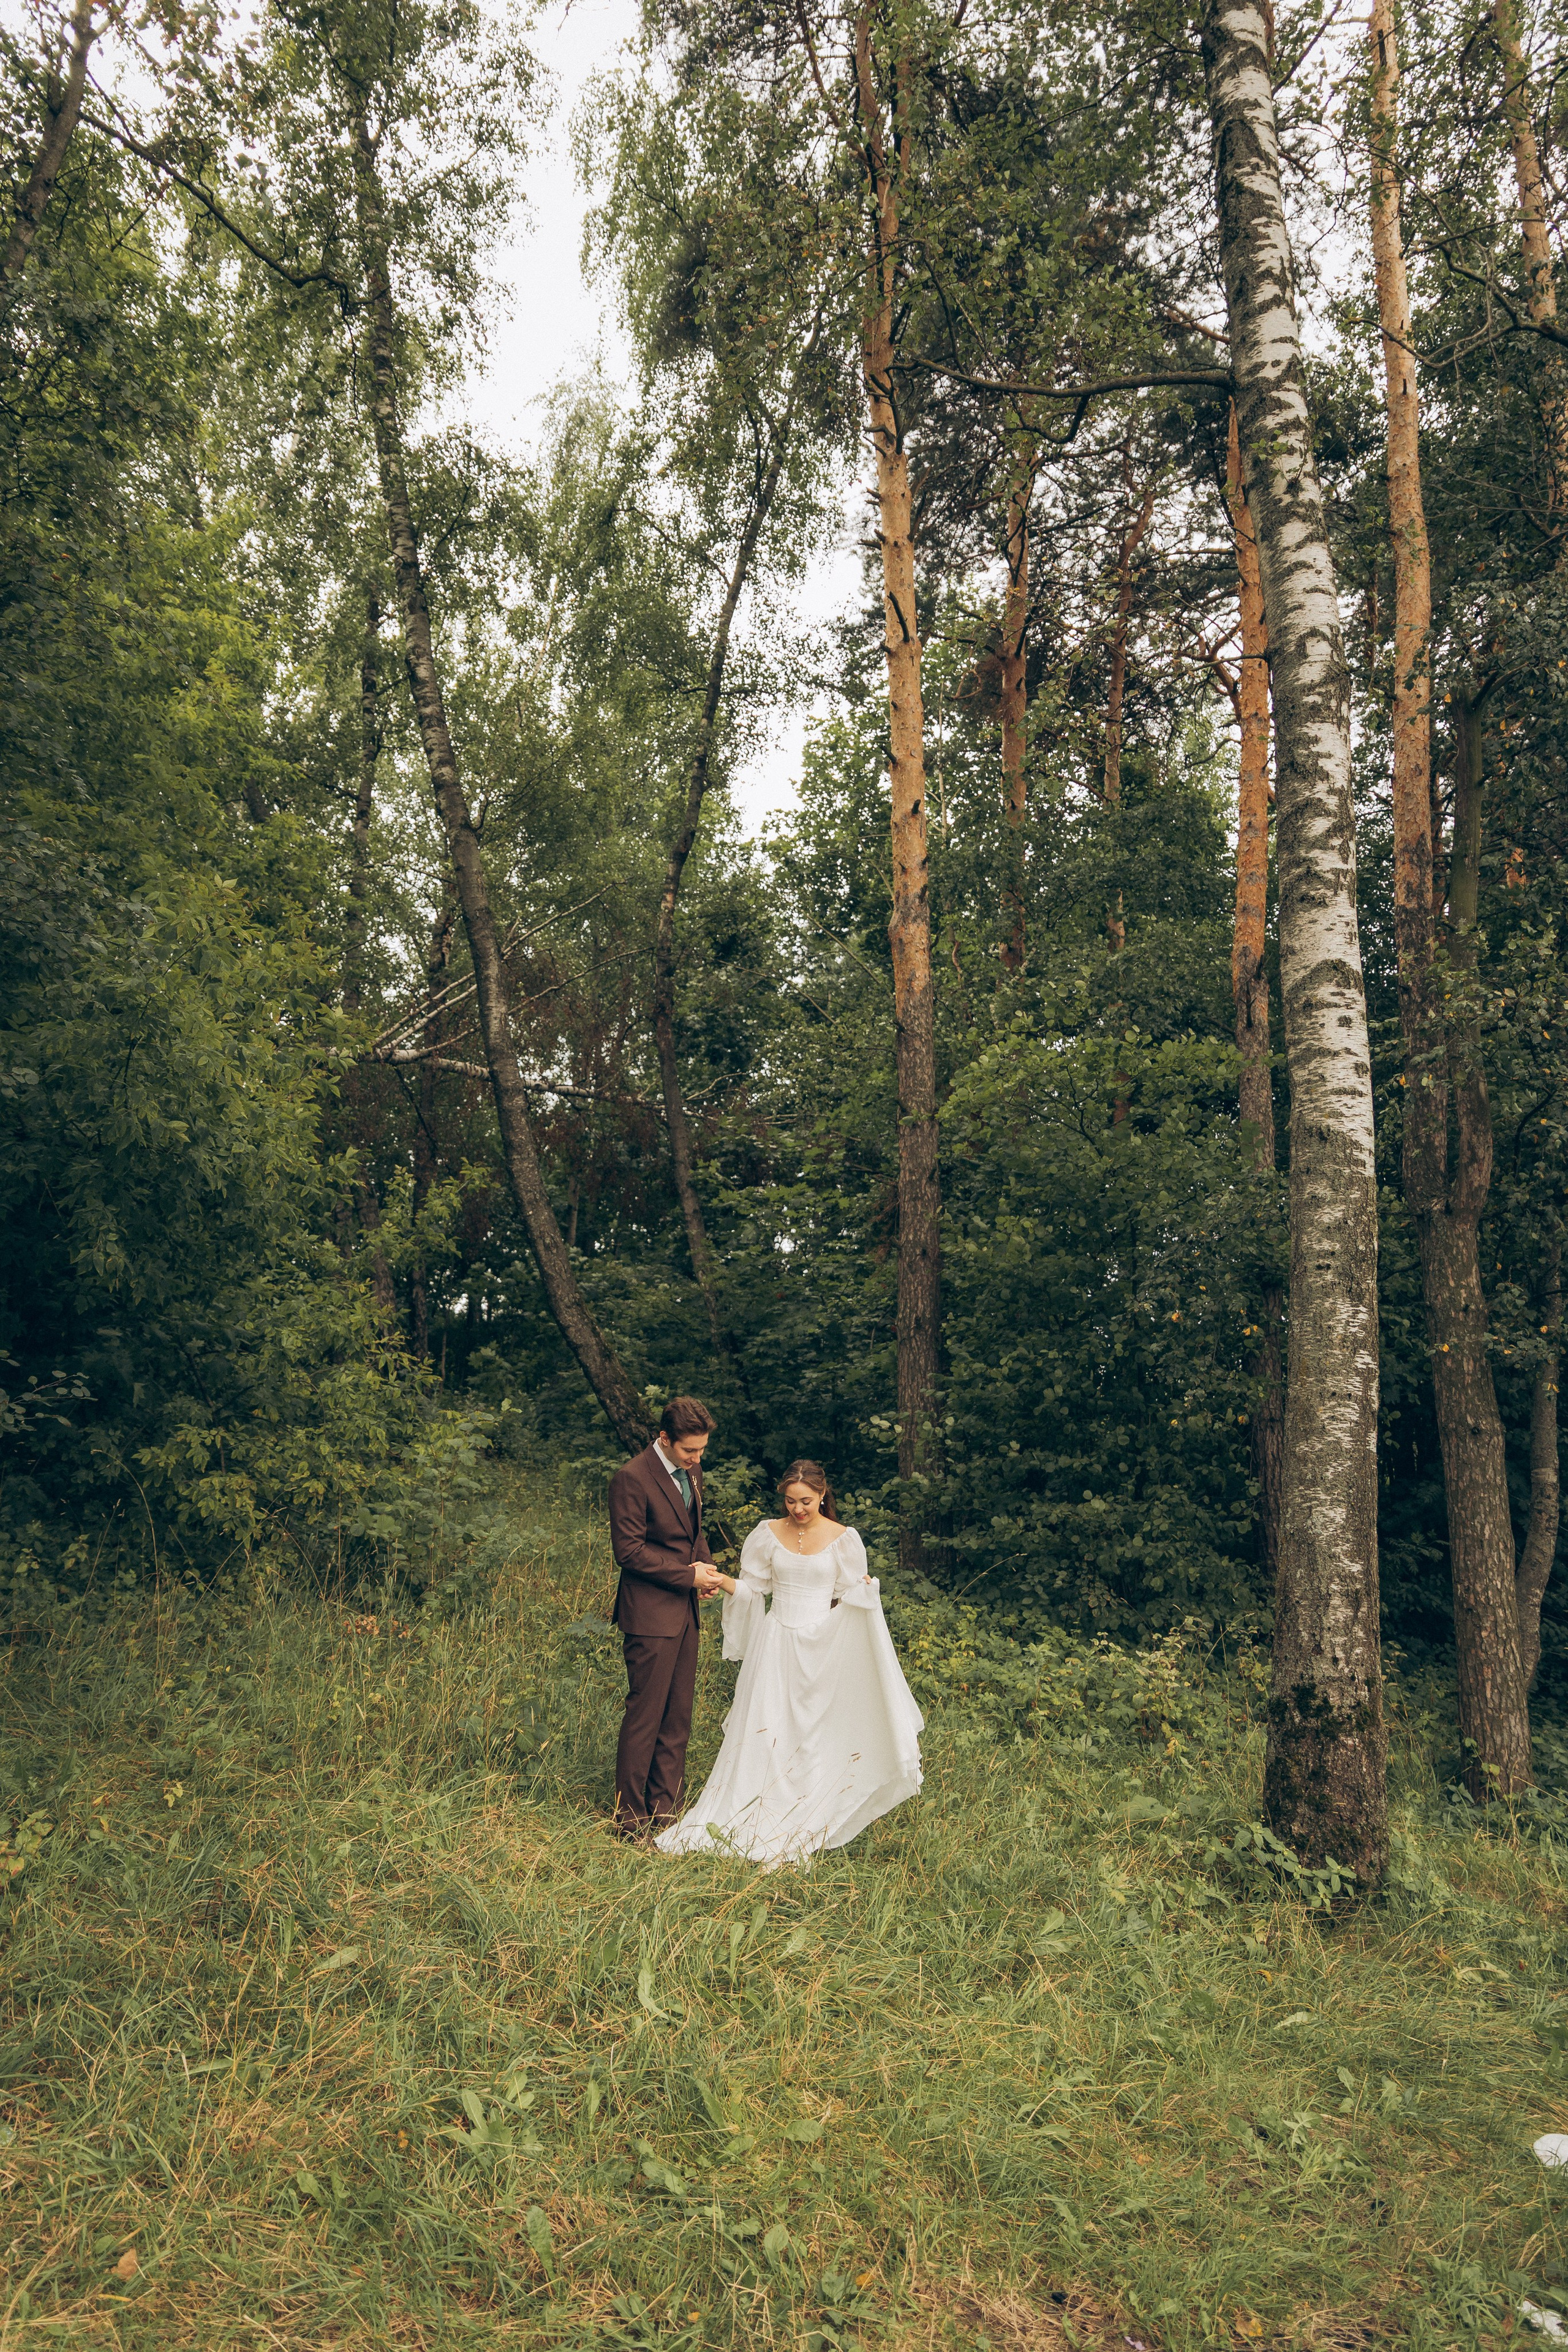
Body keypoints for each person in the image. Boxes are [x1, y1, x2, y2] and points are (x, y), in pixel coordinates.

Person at [655, 1460, 923, 1867]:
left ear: (822, 1495)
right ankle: (753, 1806)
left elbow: (851, 1595)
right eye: (790, 1501)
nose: (798, 1510)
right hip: (776, 1642)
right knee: (767, 1729)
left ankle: (808, 1805)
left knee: (812, 1733)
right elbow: (754, 1589)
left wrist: (867, 1592)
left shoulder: (843, 1539)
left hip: (821, 1647)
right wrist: (720, 1581)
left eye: (807, 1502)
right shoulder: (767, 1533)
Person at [606, 1396, 735, 1839]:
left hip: (686, 1612)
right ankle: (630, 1820)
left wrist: (706, 1571)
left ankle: (667, 1812)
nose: (697, 1459)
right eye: (689, 1451)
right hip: (649, 1615)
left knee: (678, 1716)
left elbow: (693, 1532)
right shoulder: (631, 1478)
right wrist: (687, 1575)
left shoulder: (693, 1472)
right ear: (665, 1439)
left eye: (701, 1451)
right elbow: (629, 1551)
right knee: (646, 1716)